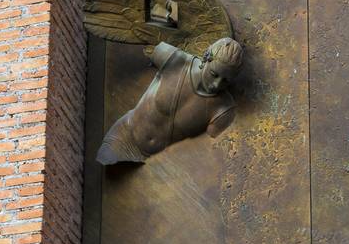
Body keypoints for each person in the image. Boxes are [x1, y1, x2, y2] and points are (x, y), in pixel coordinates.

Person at [96, 36, 243, 166]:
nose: (216, 84)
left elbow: (207, 154)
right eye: (214, 74)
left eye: (225, 81)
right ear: (206, 58)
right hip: (125, 139)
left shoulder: (223, 109)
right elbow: (140, 39)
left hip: (158, 167)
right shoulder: (174, 59)